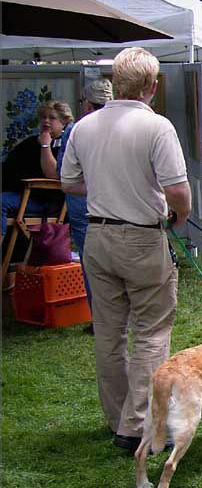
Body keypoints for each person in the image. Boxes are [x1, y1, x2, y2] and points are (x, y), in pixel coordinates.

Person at [61, 47, 191, 454]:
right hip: (140, 237)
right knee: (152, 331)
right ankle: (137, 425)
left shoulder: (84, 126)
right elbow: (178, 191)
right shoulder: (157, 127)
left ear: (116, 83)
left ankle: (118, 418)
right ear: (153, 85)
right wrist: (177, 217)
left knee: (109, 333)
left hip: (97, 238)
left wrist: (106, 188)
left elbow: (68, 182)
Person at [57, 79, 114, 334]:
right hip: (116, 204)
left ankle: (100, 321)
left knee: (92, 264)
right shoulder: (118, 126)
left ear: (87, 104)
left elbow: (63, 174)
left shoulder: (76, 129)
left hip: (84, 205)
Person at [2, 101, 73, 236]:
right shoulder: (30, 142)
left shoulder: (66, 146)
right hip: (20, 194)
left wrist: (45, 146)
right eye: (43, 117)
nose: (46, 121)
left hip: (46, 200)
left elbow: (53, 175)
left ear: (63, 122)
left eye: (52, 118)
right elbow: (9, 167)